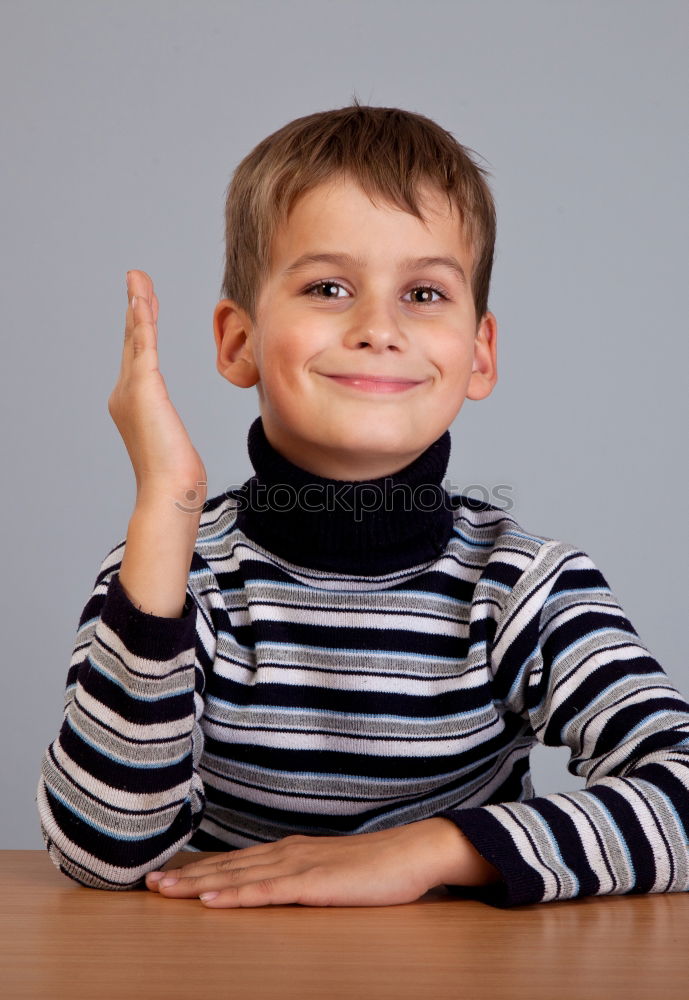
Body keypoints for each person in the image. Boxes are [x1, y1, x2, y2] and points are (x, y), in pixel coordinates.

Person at [36, 102, 689, 910]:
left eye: (422, 293)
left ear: (477, 353)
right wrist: (165, 507)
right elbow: (100, 855)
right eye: (329, 286)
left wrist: (431, 850)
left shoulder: (524, 587)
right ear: (238, 342)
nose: (378, 327)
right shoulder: (173, 575)